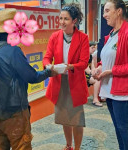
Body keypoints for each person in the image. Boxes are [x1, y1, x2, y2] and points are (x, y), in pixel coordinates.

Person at [0, 8, 57, 150]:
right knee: (21, 146)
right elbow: (31, 76)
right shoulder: (12, 50)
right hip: (14, 112)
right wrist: (48, 72)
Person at [43, 3, 89, 150]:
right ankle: (68, 145)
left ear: (74, 21)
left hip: (75, 83)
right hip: (59, 83)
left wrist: (70, 67)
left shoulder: (83, 38)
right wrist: (48, 66)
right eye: (60, 18)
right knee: (64, 118)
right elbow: (47, 57)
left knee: (77, 120)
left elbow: (83, 63)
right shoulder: (54, 37)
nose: (62, 22)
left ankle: (77, 147)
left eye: (66, 19)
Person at [92, 0, 128, 149]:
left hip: (123, 94)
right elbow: (108, 60)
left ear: (119, 11)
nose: (104, 15)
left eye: (107, 11)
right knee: (119, 131)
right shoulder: (112, 34)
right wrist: (99, 68)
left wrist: (111, 71)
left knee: (125, 131)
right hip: (110, 92)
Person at [85, 41, 103, 107]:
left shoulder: (90, 56)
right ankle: (95, 99)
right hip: (80, 75)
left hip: (87, 73)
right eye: (92, 48)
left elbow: (92, 67)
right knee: (96, 80)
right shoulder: (83, 55)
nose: (94, 50)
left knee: (100, 77)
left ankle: (100, 96)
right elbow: (85, 68)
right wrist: (92, 74)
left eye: (95, 48)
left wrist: (95, 71)